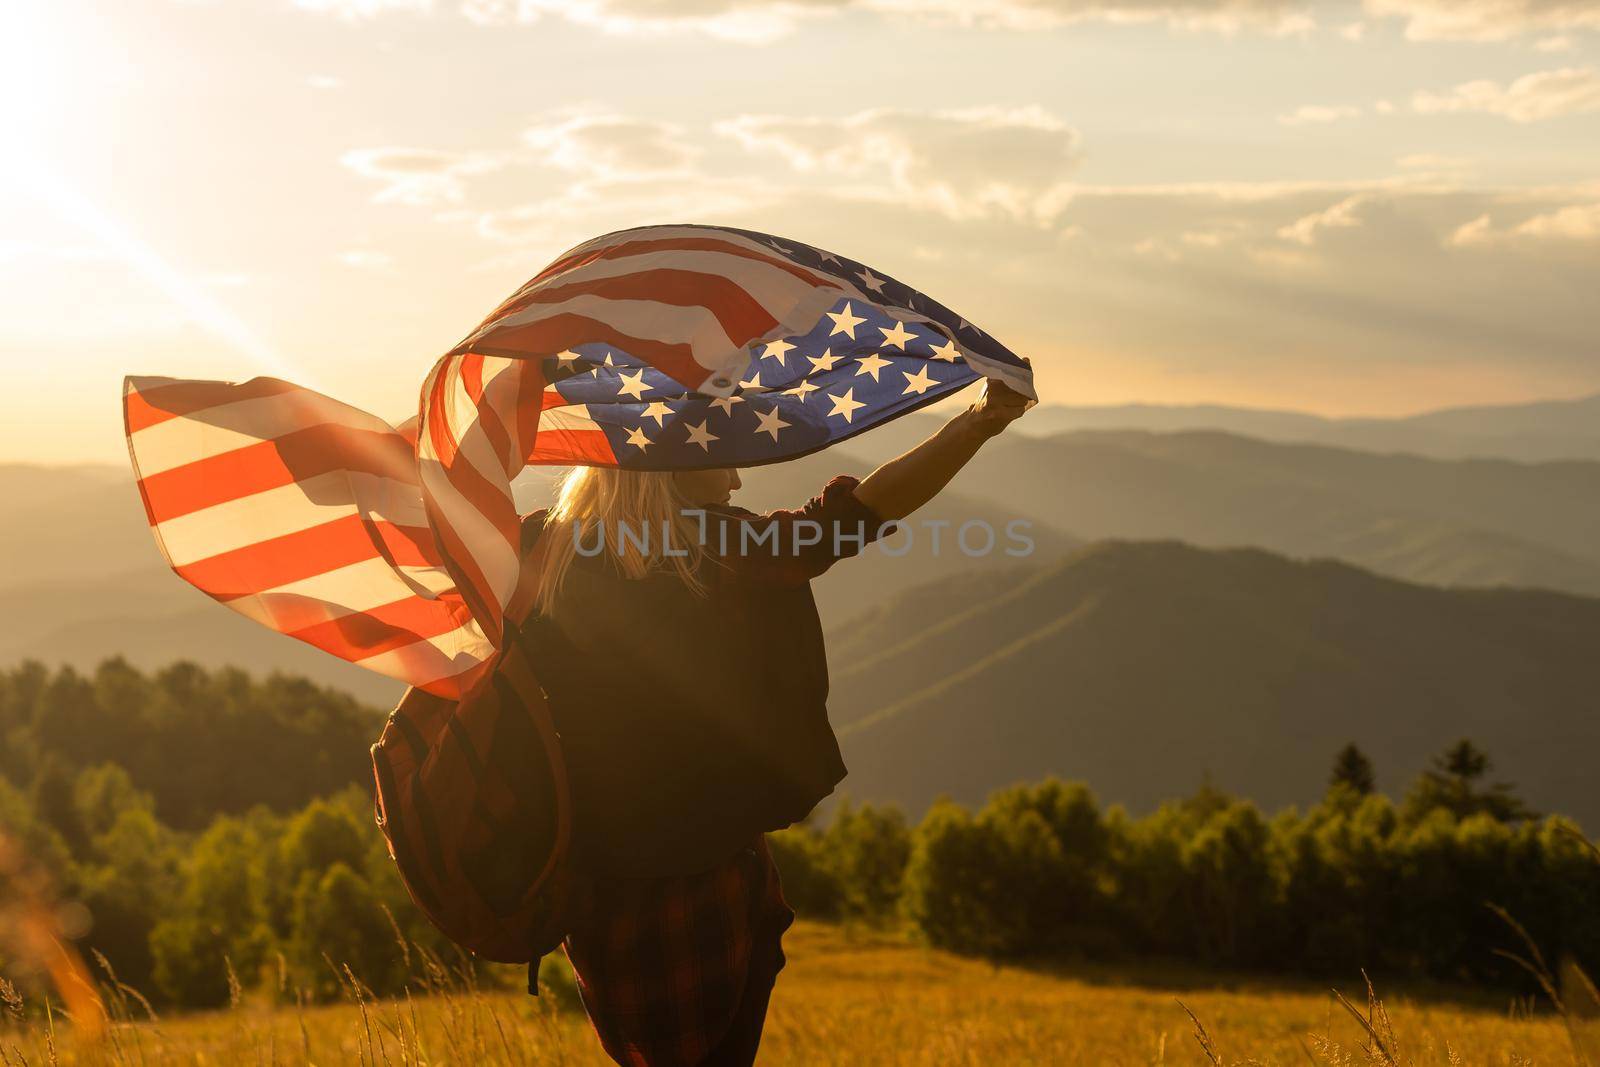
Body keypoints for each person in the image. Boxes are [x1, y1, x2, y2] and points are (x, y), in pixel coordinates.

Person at [516, 374, 1032, 1066]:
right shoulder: (719, 552)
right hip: (707, 887)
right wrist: (976, 421)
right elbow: (854, 516)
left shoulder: (536, 554)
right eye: (723, 455)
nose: (734, 481)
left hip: (601, 896)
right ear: (673, 465)